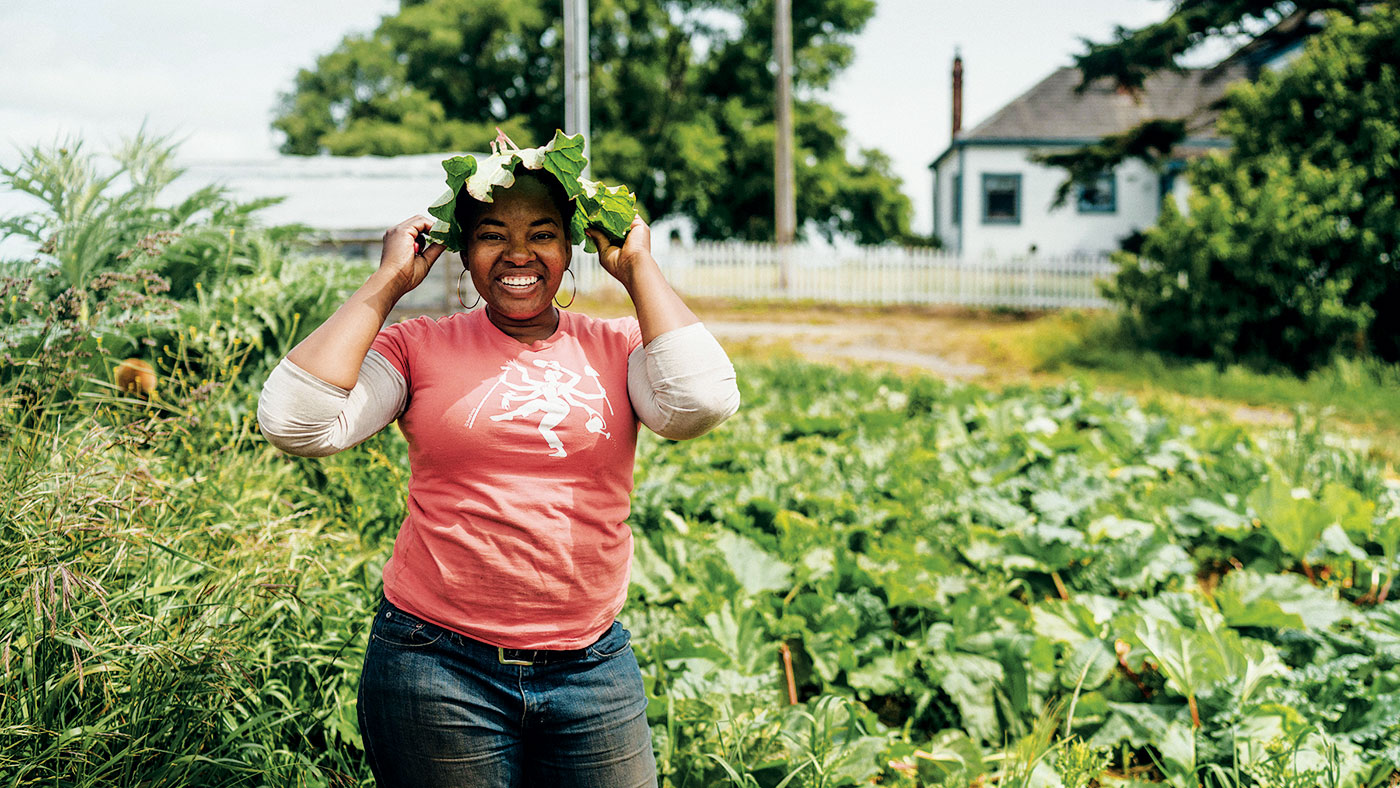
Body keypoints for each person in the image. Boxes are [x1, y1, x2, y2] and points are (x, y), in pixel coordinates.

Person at [255, 164, 739, 787]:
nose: (518, 254)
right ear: (462, 249)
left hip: (589, 669)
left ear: (571, 247)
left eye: (542, 234)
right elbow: (297, 422)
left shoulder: (621, 346)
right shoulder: (418, 345)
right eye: (490, 234)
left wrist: (639, 267)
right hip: (437, 668)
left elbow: (700, 404)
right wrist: (388, 281)